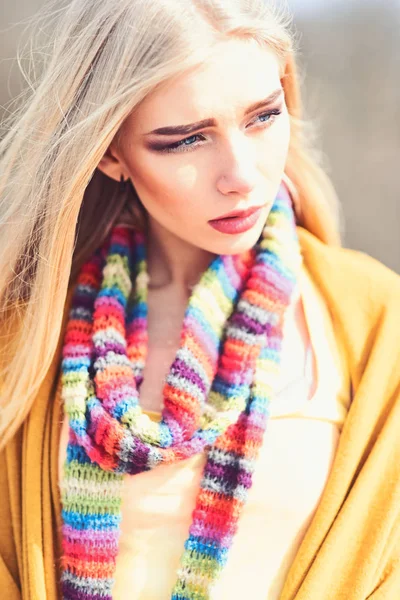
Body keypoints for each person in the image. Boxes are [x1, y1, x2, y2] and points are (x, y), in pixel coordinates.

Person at [0, 1, 399, 599]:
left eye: (264, 116)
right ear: (111, 153)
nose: (241, 174)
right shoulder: (26, 331)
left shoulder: (375, 321)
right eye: (185, 140)